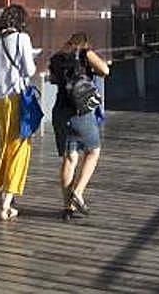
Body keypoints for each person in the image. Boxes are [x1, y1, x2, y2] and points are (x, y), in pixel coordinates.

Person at [0, 3, 37, 220]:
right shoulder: (22, 39)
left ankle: (5, 192)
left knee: (5, 146)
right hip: (15, 99)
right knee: (19, 147)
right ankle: (6, 202)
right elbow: (30, 70)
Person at [48, 33, 110, 221]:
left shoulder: (57, 57)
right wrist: (88, 54)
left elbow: (52, 79)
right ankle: (78, 192)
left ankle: (68, 207)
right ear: (84, 43)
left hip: (60, 112)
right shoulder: (84, 53)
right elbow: (105, 70)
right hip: (81, 113)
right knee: (93, 151)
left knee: (70, 158)